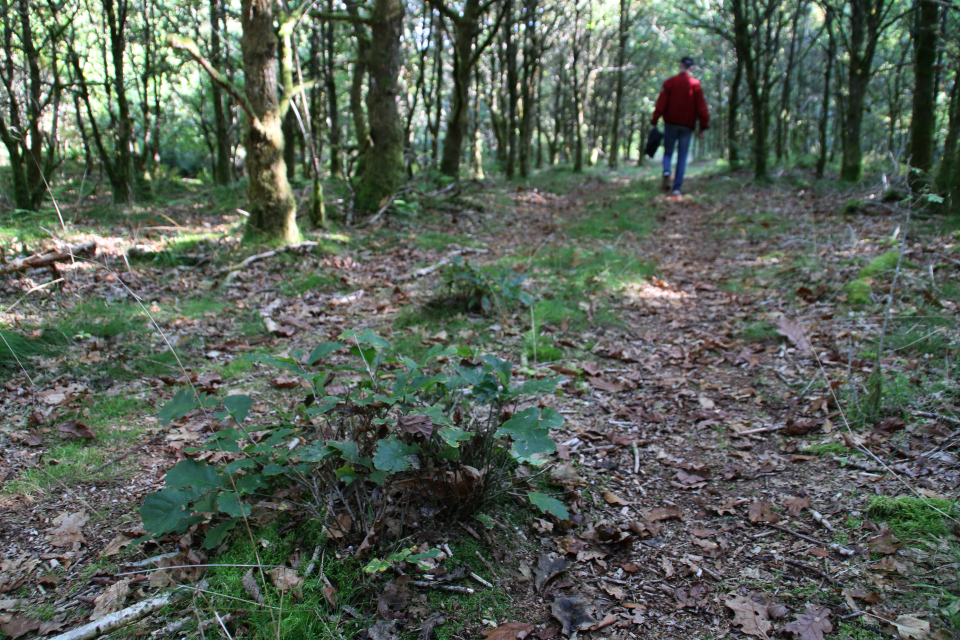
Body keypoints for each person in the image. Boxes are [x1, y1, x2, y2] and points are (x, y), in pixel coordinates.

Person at [651, 56, 710, 196]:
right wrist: (703, 127)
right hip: (687, 126)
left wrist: (654, 121)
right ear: (692, 68)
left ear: (680, 66)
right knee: (682, 156)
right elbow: (702, 109)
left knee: (668, 151)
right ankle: (677, 188)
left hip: (670, 124)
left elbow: (660, 104)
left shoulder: (670, 82)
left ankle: (666, 170)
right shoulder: (695, 85)